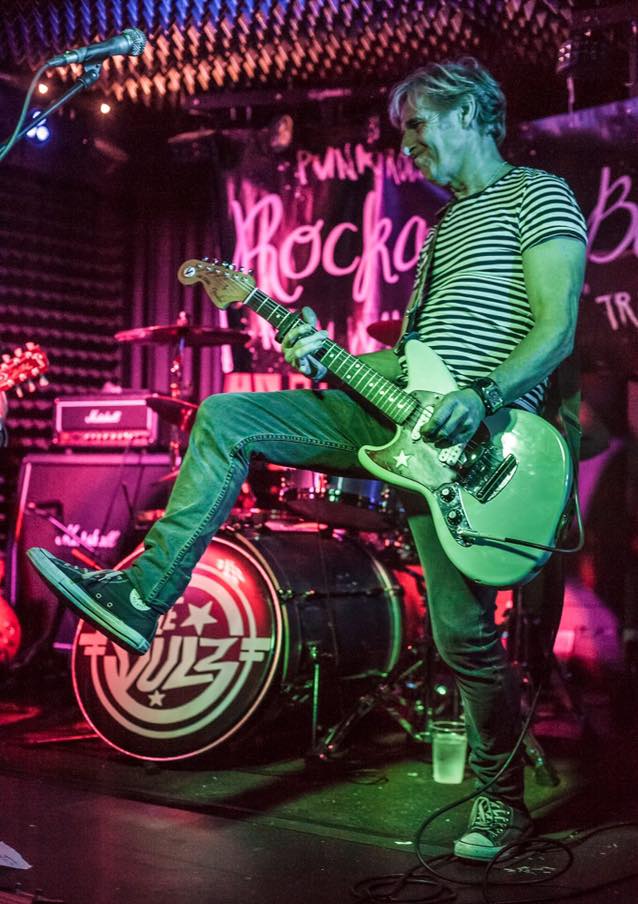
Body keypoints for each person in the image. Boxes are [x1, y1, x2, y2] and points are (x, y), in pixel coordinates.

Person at [27, 58, 587, 860]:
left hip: (483, 441)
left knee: (463, 634)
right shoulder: (443, 228)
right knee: (227, 415)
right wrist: (327, 355)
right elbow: (411, 360)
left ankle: (502, 802)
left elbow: (555, 328)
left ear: (469, 112)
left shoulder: (537, 195)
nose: (408, 145)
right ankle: (144, 595)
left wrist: (487, 393)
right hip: (404, 419)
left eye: (417, 125)